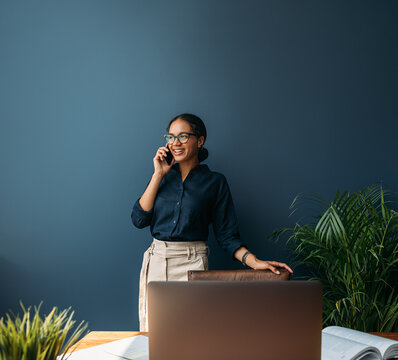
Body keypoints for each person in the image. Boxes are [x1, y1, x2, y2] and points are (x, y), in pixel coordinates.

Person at [131, 113, 293, 331]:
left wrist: (255, 262)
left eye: (183, 136)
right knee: (155, 337)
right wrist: (158, 174)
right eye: (170, 137)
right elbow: (139, 219)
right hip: (157, 262)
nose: (175, 143)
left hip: (192, 264)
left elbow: (227, 236)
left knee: (192, 336)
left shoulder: (215, 182)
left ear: (200, 140)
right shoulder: (161, 176)